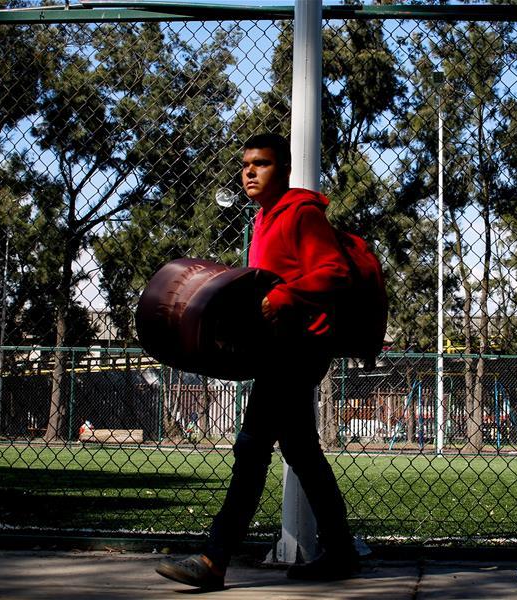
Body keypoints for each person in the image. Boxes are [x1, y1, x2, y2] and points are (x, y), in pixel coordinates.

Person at [155, 133, 359, 590]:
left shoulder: (301, 212)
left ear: (283, 170)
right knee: (302, 453)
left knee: (251, 449)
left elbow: (334, 271)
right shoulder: (265, 218)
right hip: (278, 350)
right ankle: (342, 551)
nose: (249, 172)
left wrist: (285, 296)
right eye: (245, 164)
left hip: (296, 351)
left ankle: (214, 558)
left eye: (261, 164)